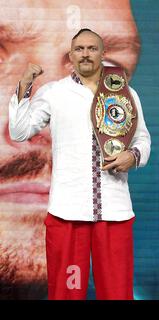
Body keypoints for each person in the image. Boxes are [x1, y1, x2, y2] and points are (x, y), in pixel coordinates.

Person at [0, 0, 141, 299]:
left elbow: (141, 139)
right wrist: (23, 90)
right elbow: (21, 130)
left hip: (110, 213)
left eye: (97, 51)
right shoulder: (52, 93)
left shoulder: (124, 94)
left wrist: (134, 156)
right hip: (67, 212)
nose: (48, 137)